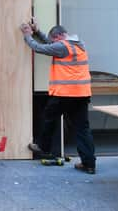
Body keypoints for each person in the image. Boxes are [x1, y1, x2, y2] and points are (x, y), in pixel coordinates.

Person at [20, 18, 96, 174]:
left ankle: (43, 147)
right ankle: (89, 164)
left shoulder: (62, 46)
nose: (53, 42)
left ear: (60, 36)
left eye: (54, 39)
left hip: (65, 93)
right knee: (83, 129)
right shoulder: (78, 44)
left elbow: (40, 48)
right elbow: (51, 44)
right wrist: (38, 31)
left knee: (49, 117)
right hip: (82, 94)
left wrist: (28, 35)